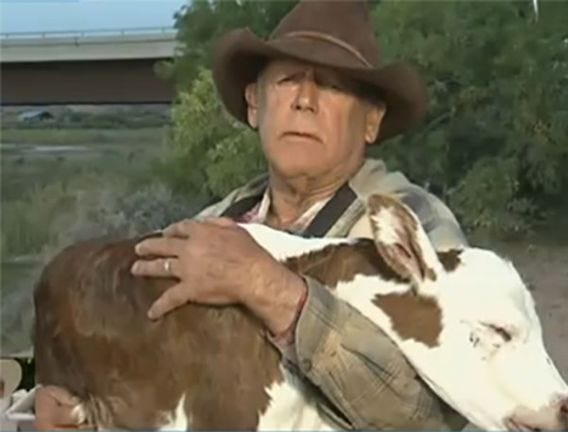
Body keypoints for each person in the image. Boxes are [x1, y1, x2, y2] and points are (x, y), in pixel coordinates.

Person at [34, 1, 469, 429]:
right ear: (254, 103)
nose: (304, 100)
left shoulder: (413, 228)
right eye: (288, 80)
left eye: (333, 86)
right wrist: (88, 415)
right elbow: (164, 391)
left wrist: (267, 288)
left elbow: (436, 415)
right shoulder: (211, 227)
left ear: (371, 120)